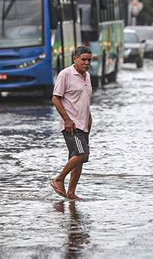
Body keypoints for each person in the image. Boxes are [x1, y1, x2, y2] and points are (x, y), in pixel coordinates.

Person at [50, 46, 93, 201]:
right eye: (83, 59)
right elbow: (55, 98)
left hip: (84, 124)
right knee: (82, 154)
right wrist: (67, 119)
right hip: (71, 124)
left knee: (78, 158)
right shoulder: (66, 74)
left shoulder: (87, 76)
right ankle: (59, 179)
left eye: (89, 60)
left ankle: (71, 193)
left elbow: (85, 100)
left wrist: (89, 118)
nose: (87, 63)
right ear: (74, 59)